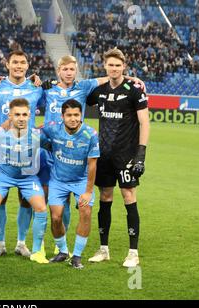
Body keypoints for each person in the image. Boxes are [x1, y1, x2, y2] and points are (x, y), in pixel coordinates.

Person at [40, 55, 145, 255]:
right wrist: (36, 81)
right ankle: (41, 244)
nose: (69, 73)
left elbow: (108, 77)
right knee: (46, 201)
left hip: (77, 150)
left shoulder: (84, 86)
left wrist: (130, 78)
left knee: (78, 200)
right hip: (50, 148)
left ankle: (61, 247)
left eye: (72, 69)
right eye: (65, 69)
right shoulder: (47, 89)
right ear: (58, 70)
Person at [86, 48, 150, 268]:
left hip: (126, 155)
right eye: (110, 65)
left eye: (117, 65)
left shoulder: (134, 90)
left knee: (128, 196)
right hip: (103, 155)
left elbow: (144, 122)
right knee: (105, 198)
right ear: (105, 66)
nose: (114, 68)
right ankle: (104, 249)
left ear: (124, 66)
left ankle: (133, 252)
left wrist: (141, 154)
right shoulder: (99, 91)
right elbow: (77, 96)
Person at [0, 50, 44, 258]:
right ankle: (0, 243)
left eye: (23, 62)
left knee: (26, 199)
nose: (19, 65)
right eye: (15, 62)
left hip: (29, 151)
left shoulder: (37, 88)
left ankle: (21, 242)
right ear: (7, 64)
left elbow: (51, 110)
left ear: (28, 66)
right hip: (3, 151)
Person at [0, 98, 49, 264]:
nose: (21, 118)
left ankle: (34, 250)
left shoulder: (37, 135)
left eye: (24, 114)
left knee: (41, 209)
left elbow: (55, 144)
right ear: (9, 116)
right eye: (17, 114)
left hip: (27, 177)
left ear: (30, 115)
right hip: (2, 175)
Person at [42, 99, 99, 269]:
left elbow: (93, 165)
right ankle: (63, 251)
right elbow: (35, 131)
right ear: (62, 116)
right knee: (56, 217)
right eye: (69, 115)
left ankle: (77, 256)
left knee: (86, 211)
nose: (73, 119)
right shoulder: (53, 127)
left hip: (81, 181)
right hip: (58, 180)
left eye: (76, 115)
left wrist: (88, 192)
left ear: (81, 115)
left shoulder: (90, 134)